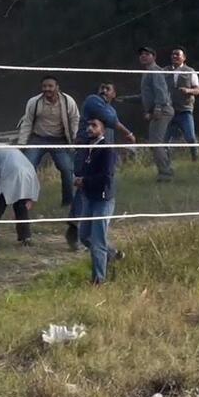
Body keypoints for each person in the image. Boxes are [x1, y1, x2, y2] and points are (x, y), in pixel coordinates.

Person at [67, 82, 135, 251]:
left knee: (98, 188)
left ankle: (97, 242)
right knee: (83, 187)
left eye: (108, 88)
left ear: (114, 94)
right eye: (101, 87)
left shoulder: (111, 109)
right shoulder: (93, 101)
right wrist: (128, 133)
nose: (104, 90)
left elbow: (109, 130)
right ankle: (77, 231)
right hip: (86, 152)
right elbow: (111, 121)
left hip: (101, 154)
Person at [17, 75, 80, 206]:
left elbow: (75, 119)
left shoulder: (68, 101)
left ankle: (68, 203)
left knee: (67, 169)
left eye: (50, 86)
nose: (47, 89)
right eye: (44, 86)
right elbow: (27, 122)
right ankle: (25, 202)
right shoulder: (34, 102)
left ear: (57, 87)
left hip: (59, 140)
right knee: (27, 167)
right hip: (38, 138)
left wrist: (75, 139)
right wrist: (22, 144)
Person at [0, 136, 40, 250]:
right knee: (20, 206)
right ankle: (26, 237)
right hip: (28, 173)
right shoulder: (5, 147)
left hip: (13, 175)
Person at [74, 118, 118, 285]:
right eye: (88, 125)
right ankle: (112, 253)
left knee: (98, 240)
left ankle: (99, 281)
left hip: (102, 199)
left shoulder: (107, 149)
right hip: (88, 197)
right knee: (84, 236)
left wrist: (84, 181)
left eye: (94, 125)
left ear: (103, 129)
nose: (89, 128)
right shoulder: (87, 148)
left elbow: (107, 177)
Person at [138, 47, 175, 182]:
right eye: (141, 54)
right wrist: (125, 99)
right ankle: (167, 170)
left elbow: (161, 92)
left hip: (163, 109)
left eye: (147, 54)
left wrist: (157, 109)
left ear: (154, 57)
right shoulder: (147, 72)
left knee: (156, 142)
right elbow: (146, 96)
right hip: (159, 108)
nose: (143, 56)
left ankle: (166, 173)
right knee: (156, 142)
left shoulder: (155, 70)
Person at [165, 47, 199, 161]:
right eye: (173, 54)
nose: (174, 56)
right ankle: (167, 162)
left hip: (185, 110)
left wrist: (188, 90)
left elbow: (198, 90)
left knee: (190, 137)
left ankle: (195, 159)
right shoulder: (164, 71)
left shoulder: (190, 71)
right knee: (164, 140)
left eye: (177, 54)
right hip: (169, 111)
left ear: (184, 58)